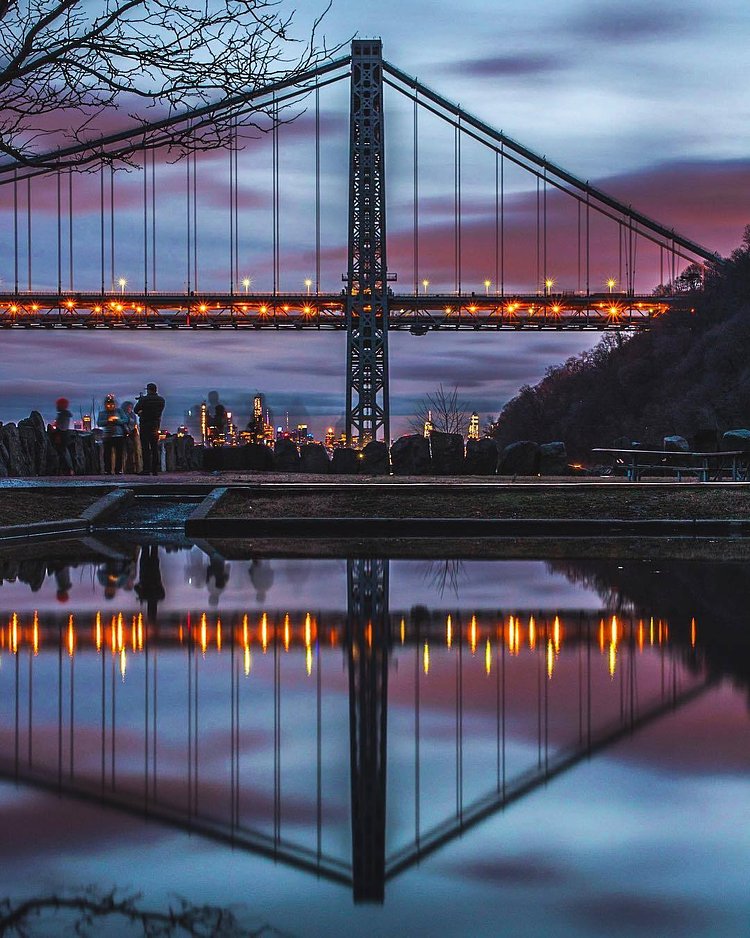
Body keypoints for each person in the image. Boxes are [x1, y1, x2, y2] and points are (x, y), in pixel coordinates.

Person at [135, 382, 165, 475]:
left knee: (145, 448)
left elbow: (136, 410)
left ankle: (146, 469)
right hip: (155, 425)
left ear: (148, 390)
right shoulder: (161, 400)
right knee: (154, 448)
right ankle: (155, 470)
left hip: (145, 425)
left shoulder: (144, 399)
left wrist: (141, 407)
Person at [97, 393, 126, 474]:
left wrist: (117, 420)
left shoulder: (119, 411)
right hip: (107, 435)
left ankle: (118, 470)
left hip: (118, 435)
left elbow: (125, 419)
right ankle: (107, 470)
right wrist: (108, 421)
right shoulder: (102, 413)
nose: (110, 406)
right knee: (107, 453)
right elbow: (99, 423)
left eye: (112, 404)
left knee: (119, 453)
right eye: (108, 404)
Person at [51, 396, 74, 475]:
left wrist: (56, 431)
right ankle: (67, 469)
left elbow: (61, 427)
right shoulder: (65, 415)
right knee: (64, 452)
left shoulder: (62, 415)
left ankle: (66, 469)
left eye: (58, 405)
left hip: (61, 435)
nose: (56, 407)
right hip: (64, 435)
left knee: (62, 453)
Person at [121, 400, 142, 474]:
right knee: (125, 451)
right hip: (124, 434)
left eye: (130, 407)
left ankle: (135, 468)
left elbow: (135, 424)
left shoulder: (133, 415)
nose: (129, 408)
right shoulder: (123, 415)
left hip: (133, 434)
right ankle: (123, 468)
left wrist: (136, 431)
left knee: (133, 451)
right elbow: (124, 424)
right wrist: (127, 431)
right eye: (128, 407)